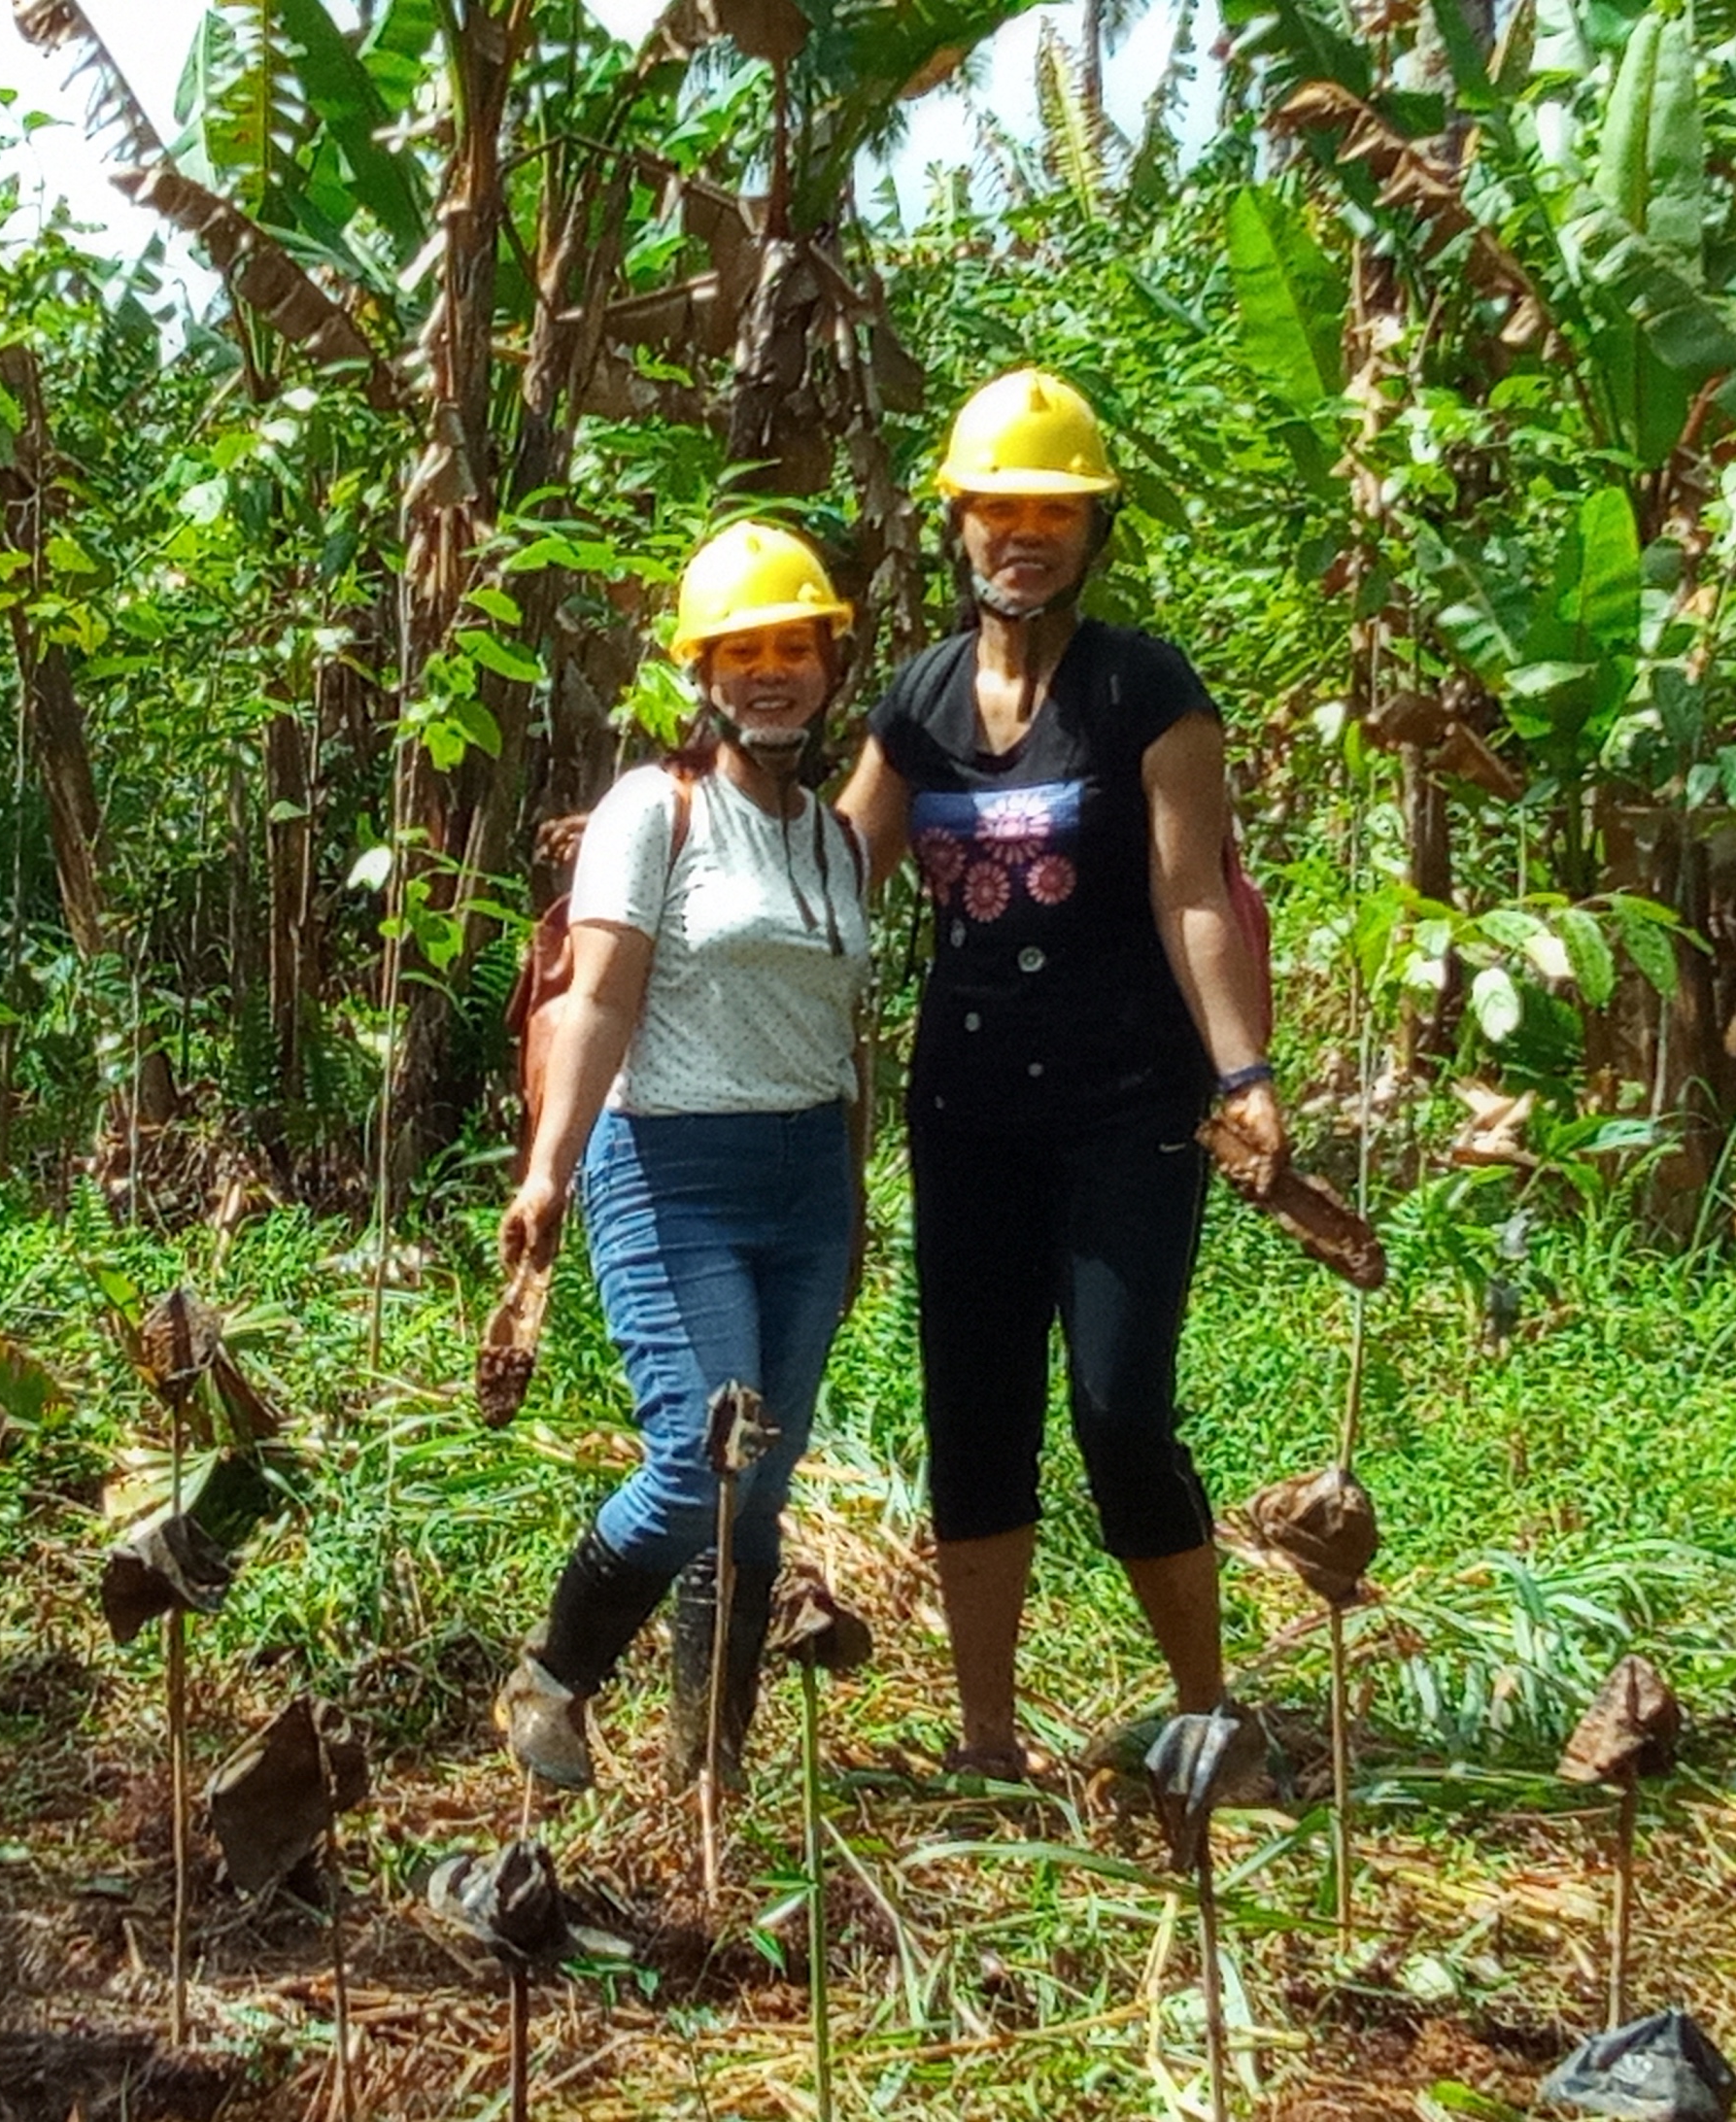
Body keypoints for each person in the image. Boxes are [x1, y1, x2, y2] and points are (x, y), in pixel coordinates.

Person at [837, 369, 1285, 1778]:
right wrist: (677, 839)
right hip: (967, 1114)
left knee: (1118, 1408)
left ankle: (1210, 1722)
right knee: (974, 1414)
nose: (1022, 535)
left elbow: (1191, 896)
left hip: (1122, 1107)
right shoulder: (916, 703)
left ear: (1095, 529)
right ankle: (987, 1746)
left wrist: (1246, 1072)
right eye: (998, 509)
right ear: (957, 523)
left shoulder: (1146, 691)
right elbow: (832, 881)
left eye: (1054, 511)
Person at [494, 522, 871, 1795]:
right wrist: (548, 1172)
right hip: (670, 1165)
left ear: (828, 664)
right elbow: (596, 1002)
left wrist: (851, 1197)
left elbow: (844, 1036)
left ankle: (709, 1769)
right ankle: (552, 1680)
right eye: (742, 652)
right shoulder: (652, 812)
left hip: (807, 1180)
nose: (771, 674)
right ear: (702, 670)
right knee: (703, 1462)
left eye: (793, 649)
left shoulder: (833, 837)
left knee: (759, 1486)